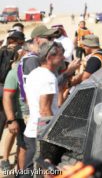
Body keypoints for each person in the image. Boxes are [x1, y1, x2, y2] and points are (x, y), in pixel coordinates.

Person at [23, 41, 66, 172]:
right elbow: (45, 110)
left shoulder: (34, 73)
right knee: (36, 172)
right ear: (49, 57)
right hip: (40, 134)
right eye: (60, 55)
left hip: (32, 130)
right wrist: (50, 137)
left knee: (29, 171)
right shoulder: (48, 78)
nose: (63, 57)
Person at [3, 45, 28, 170]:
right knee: (12, 132)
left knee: (20, 140)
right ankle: (5, 159)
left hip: (20, 105)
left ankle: (19, 163)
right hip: (15, 105)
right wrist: (11, 119)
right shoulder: (15, 69)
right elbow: (7, 96)